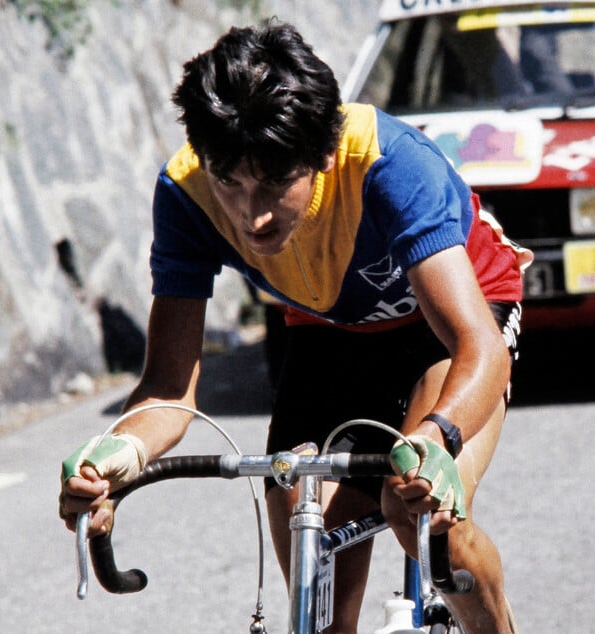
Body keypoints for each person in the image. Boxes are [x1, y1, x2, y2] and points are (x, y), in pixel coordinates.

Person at [57, 18, 528, 634]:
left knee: (420, 517)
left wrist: (437, 443)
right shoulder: (186, 194)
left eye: (277, 183)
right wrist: (120, 450)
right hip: (329, 336)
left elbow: (477, 348)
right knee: (320, 574)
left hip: (449, 327)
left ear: (324, 153)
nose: (252, 218)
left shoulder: (387, 163)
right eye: (232, 183)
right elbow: (169, 391)